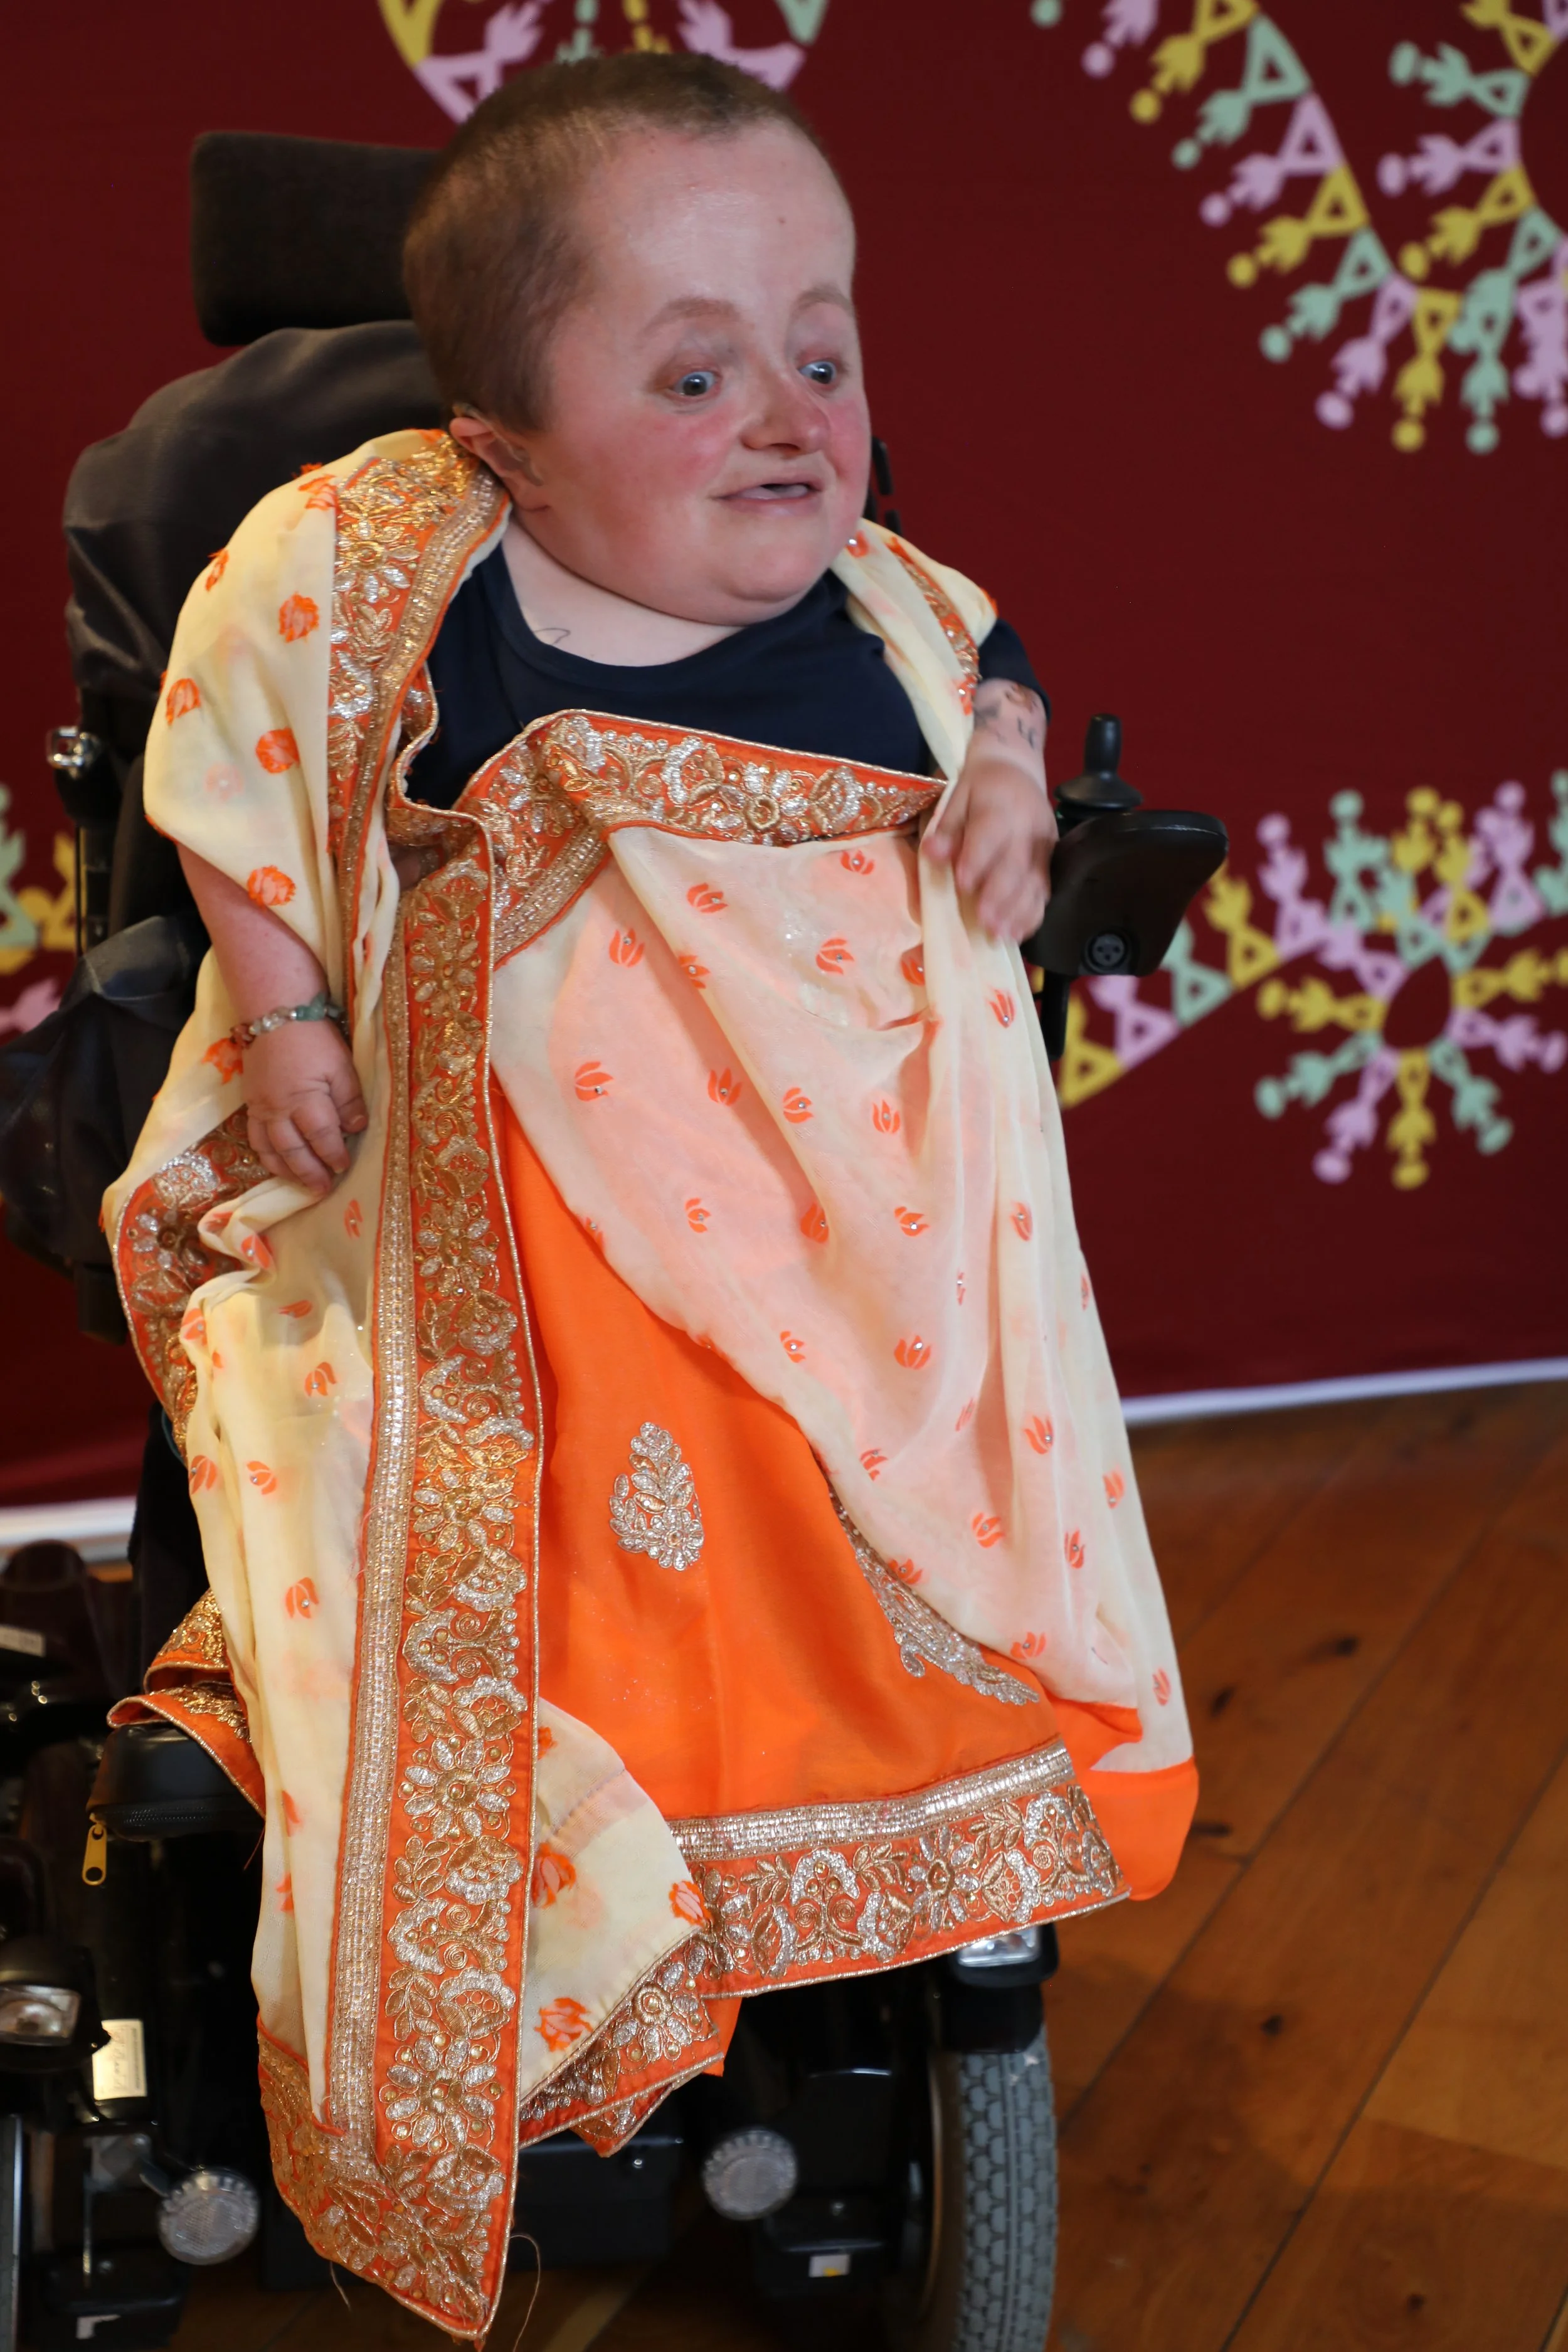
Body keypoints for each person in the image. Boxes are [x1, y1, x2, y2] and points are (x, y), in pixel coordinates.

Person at [105, 55, 1195, 2335]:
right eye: (695, 377)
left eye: (824, 350)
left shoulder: (889, 615)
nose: (790, 417)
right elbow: (241, 773)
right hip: (520, 1193)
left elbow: (992, 681)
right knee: (560, 1459)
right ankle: (587, 1826)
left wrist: (1005, 777)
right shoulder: (389, 577)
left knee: (834, 1493)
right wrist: (290, 1010)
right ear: (504, 445)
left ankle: (842, 1771)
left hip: (839, 1230)